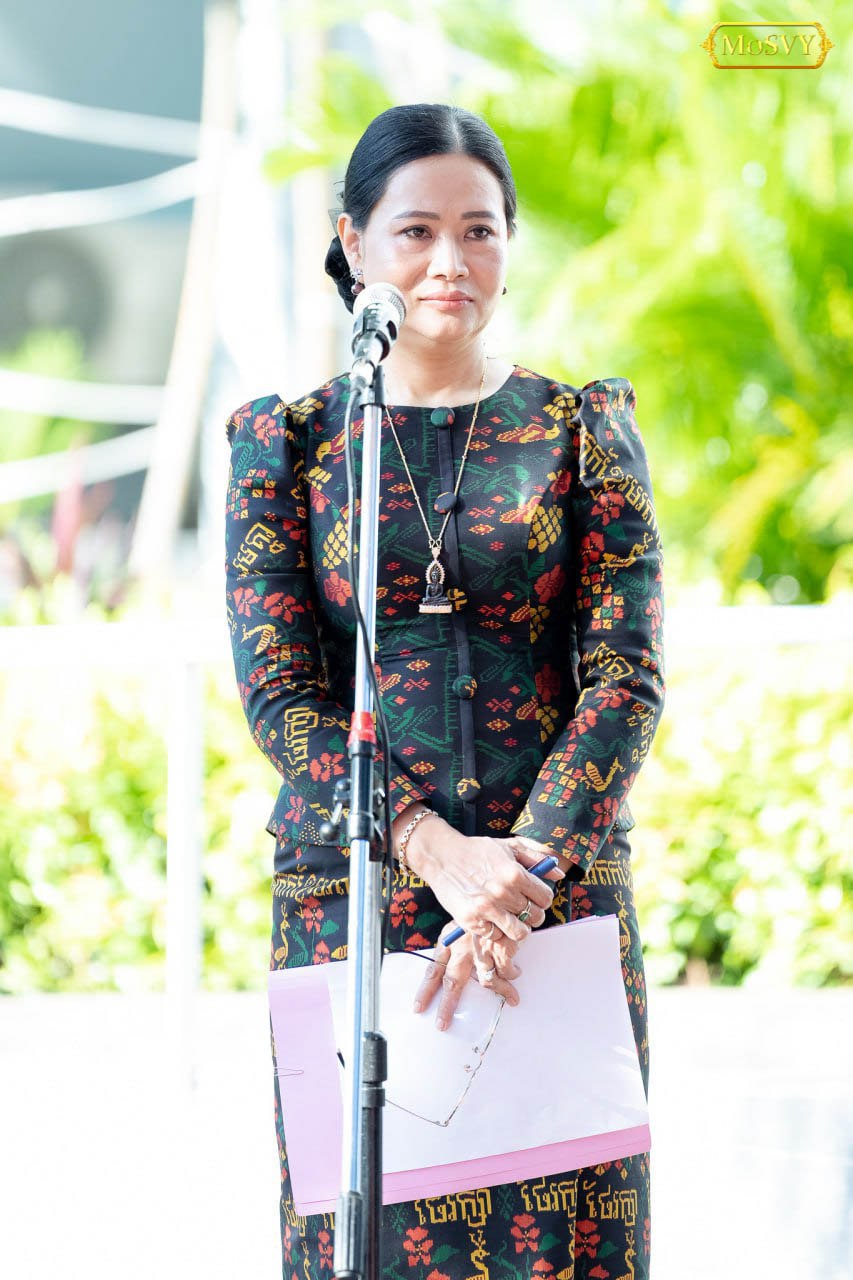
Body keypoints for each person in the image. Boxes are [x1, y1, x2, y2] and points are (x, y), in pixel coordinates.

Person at [225, 102, 665, 1280]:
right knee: (359, 1239)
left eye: (479, 230)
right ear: (354, 243)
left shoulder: (577, 430)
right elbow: (280, 691)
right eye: (415, 231)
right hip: (356, 896)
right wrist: (434, 851)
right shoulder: (291, 445)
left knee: (567, 1242)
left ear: (509, 244)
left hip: (548, 904)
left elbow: (624, 673)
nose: (449, 262)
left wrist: (514, 876)